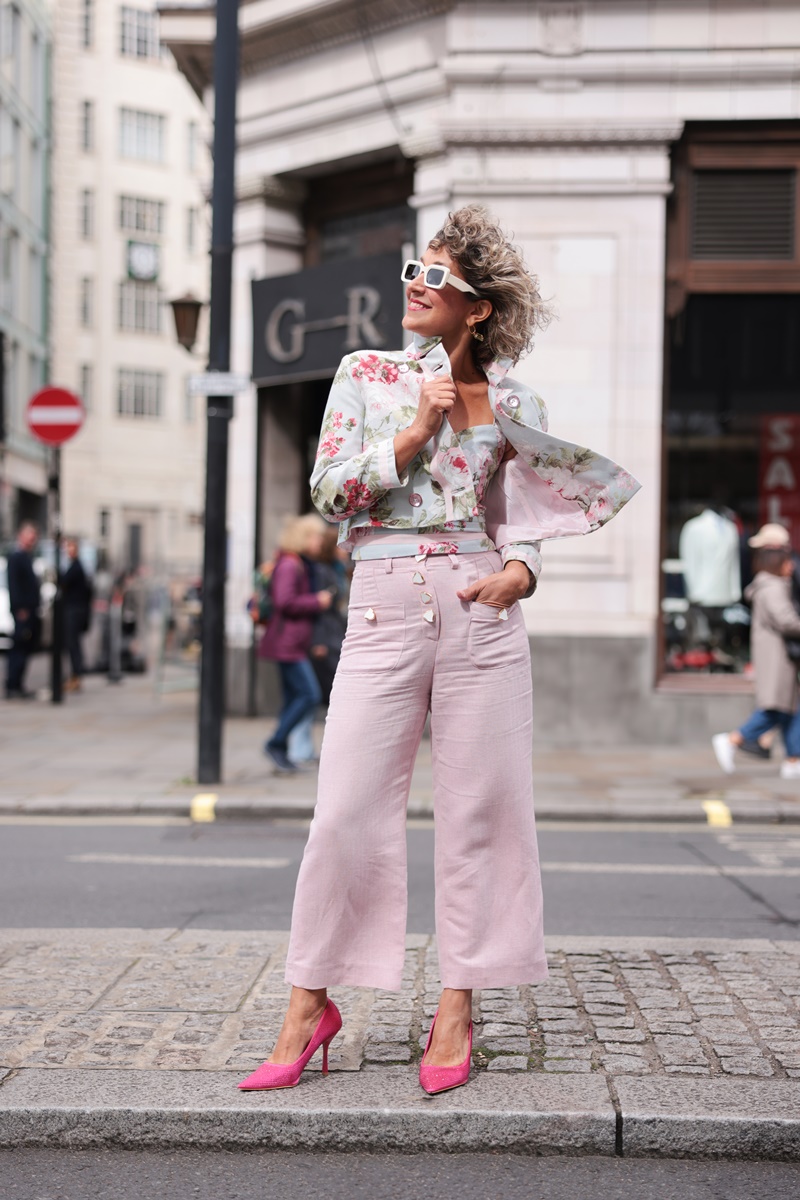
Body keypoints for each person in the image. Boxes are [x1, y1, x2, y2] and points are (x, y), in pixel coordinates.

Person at [238, 205, 639, 1096]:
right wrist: (413, 436)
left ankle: (456, 1005)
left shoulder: (514, 402)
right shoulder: (367, 372)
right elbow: (332, 492)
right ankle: (310, 1006)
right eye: (413, 273)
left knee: (485, 812)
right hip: (381, 604)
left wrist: (521, 574)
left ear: (478, 309)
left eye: (436, 278)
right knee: (343, 812)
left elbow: (522, 517)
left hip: (479, 609)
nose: (415, 286)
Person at [713, 538, 800, 781]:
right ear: (777, 565)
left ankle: (793, 760)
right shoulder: (772, 588)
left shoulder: (773, 585)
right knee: (775, 708)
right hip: (777, 657)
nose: (792, 567)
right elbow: (786, 621)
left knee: (791, 709)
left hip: (780, 656)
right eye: (787, 563)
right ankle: (732, 739)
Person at [259, 514, 333, 773]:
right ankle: (275, 742)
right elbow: (284, 601)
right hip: (286, 644)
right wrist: (317, 601)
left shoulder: (299, 564)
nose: (320, 542)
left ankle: (282, 749)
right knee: (309, 694)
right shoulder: (290, 565)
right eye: (316, 537)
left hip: (293, 643)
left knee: (294, 697)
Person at [5, 522, 41, 700]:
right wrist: (20, 608)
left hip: (30, 610)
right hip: (23, 612)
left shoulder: (27, 557)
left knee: (25, 649)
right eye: (29, 536)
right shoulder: (17, 557)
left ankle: (18, 684)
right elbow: (15, 586)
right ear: (21, 536)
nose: (32, 540)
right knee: (18, 648)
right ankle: (12, 685)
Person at [61, 538, 92, 692]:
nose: (68, 551)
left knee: (73, 644)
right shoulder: (76, 566)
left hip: (74, 610)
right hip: (75, 610)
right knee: (73, 644)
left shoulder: (76, 567)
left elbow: (63, 582)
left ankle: (76, 676)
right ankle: (75, 675)